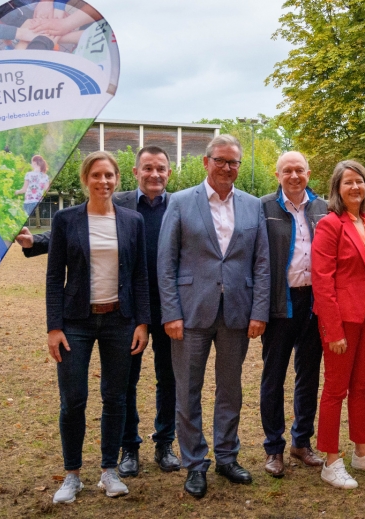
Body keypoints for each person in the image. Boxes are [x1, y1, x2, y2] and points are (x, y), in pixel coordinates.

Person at [17, 145, 182, 478]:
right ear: (134, 173)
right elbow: (78, 228)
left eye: (160, 168)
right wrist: (36, 242)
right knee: (125, 385)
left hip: (168, 306)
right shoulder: (119, 201)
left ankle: (164, 443)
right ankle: (129, 448)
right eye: (147, 168)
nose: (154, 174)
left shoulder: (180, 207)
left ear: (168, 172)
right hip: (128, 308)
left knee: (169, 379)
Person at [157, 135, 270, 499]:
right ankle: (195, 463)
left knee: (230, 389)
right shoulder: (179, 201)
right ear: (206, 162)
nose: (227, 167)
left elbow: (262, 264)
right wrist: (171, 312)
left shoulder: (252, 206)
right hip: (190, 314)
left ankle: (226, 456)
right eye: (220, 160)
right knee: (188, 390)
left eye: (233, 162)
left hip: (237, 312)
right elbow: (166, 262)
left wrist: (259, 311)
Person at [45, 151, 150, 504]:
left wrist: (142, 322)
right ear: (85, 179)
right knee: (73, 399)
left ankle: (109, 470)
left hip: (120, 321)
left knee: (115, 398)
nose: (103, 181)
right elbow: (53, 276)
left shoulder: (132, 221)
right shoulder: (66, 219)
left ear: (118, 178)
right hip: (76, 322)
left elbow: (139, 276)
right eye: (96, 175)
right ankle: (72, 474)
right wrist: (54, 327)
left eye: (109, 175)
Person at [311, 160, 365, 489]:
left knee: (362, 387)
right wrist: (332, 330)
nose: (355, 188)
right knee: (335, 390)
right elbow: (322, 281)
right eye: (348, 182)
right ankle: (331, 460)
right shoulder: (330, 225)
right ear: (337, 188)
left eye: (359, 182)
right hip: (342, 321)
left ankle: (362, 452)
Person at [259, 151, 328, 477]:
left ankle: (302, 442)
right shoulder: (265, 207)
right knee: (273, 377)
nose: (294, 175)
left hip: (314, 304)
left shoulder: (322, 207)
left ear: (308, 173)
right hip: (279, 304)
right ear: (278, 175)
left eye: (299, 170)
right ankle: (273, 448)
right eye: (287, 170)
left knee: (309, 375)